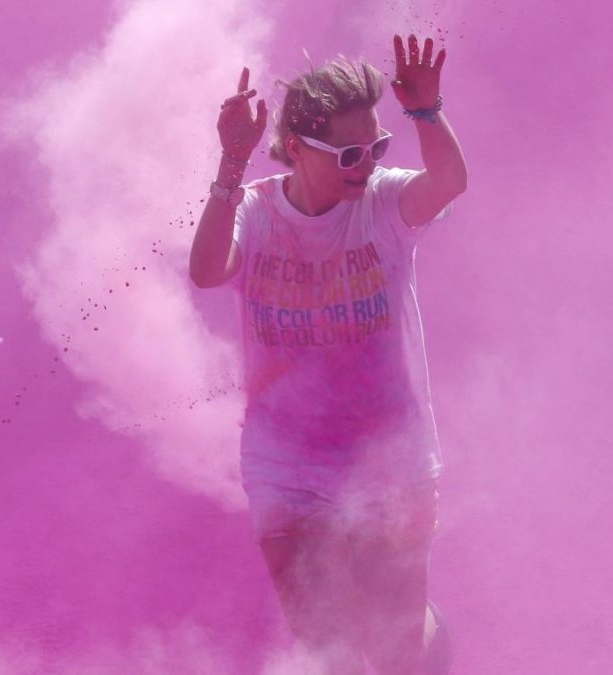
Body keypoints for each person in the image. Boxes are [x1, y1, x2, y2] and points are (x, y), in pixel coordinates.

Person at [189, 34, 467, 674]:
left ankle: (426, 641)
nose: (364, 163)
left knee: (394, 655)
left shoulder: (385, 203)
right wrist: (230, 168)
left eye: (375, 147)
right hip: (286, 463)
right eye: (346, 153)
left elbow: (449, 180)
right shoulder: (257, 213)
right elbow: (207, 271)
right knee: (325, 648)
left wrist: (426, 113)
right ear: (295, 150)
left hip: (389, 456)